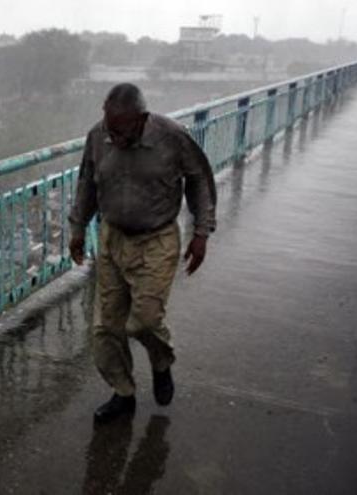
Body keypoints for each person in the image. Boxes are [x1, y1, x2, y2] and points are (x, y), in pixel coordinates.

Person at [69, 83, 217, 423]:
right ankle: (123, 393)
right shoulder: (98, 136)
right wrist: (78, 228)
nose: (114, 138)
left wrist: (202, 232)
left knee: (145, 321)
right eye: (109, 127)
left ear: (142, 118)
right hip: (112, 238)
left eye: (121, 130)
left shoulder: (171, 137)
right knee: (107, 327)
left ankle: (161, 363)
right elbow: (87, 183)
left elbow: (199, 180)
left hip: (157, 239)